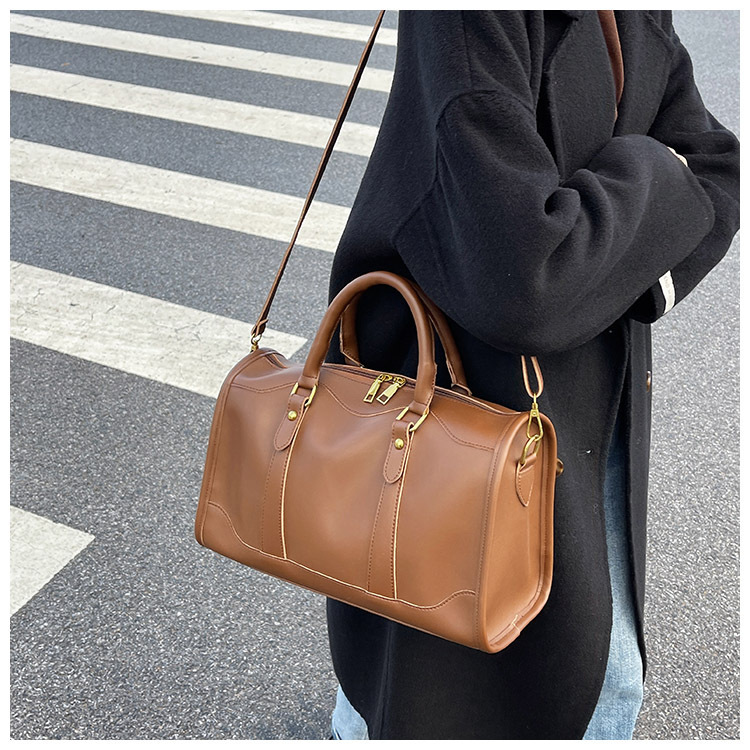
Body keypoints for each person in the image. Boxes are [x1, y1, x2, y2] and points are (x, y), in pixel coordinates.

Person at [322, 10, 740, 740]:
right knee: (430, 647)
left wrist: (598, 256)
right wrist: (654, 175)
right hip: (452, 392)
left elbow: (717, 165)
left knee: (595, 661)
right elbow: (526, 278)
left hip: (592, 389)